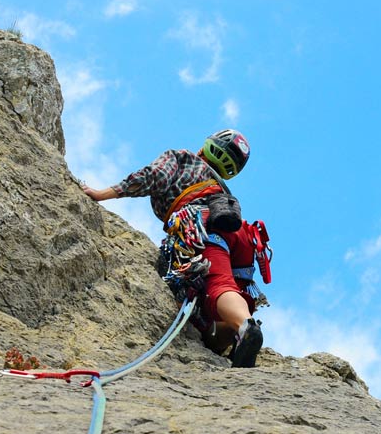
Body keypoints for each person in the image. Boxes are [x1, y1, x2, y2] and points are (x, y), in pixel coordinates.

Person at [81, 129, 266, 368]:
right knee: (215, 299)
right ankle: (232, 334)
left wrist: (101, 194)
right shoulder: (221, 190)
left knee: (217, 284)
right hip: (239, 235)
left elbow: (152, 176)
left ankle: (245, 326)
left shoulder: (183, 159)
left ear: (208, 145)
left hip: (202, 224)